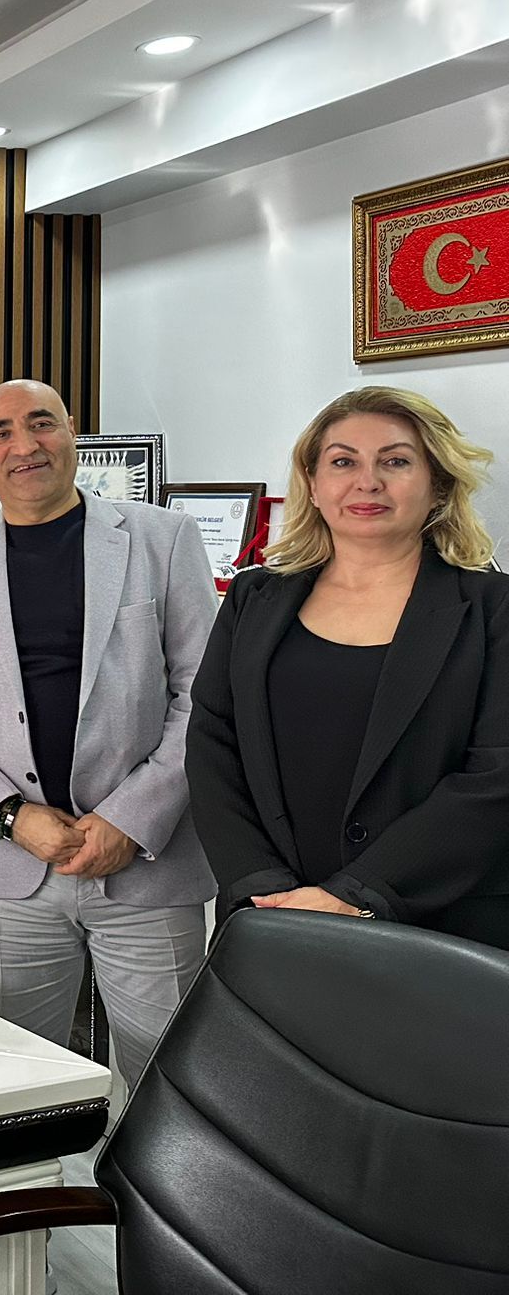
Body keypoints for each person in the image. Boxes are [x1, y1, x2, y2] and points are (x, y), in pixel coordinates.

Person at [0, 379, 215, 1097]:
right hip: (13, 869)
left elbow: (205, 698)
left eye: (41, 423)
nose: (24, 445)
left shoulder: (163, 539)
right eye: (1, 432)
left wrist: (130, 820)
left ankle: (146, 1181)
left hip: (148, 863)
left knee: (169, 1085)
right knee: (23, 1084)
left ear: (72, 432)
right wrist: (11, 816)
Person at [189, 387, 509, 948]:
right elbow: (213, 743)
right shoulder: (252, 598)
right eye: (343, 462)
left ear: (437, 484)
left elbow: (496, 775)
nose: (368, 482)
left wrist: (356, 893)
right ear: (313, 484)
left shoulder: (493, 608)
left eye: (395, 461)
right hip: (272, 917)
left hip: (442, 927)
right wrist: (260, 884)